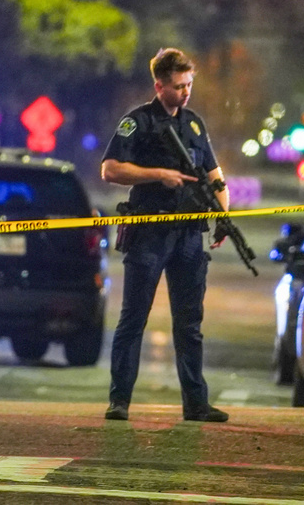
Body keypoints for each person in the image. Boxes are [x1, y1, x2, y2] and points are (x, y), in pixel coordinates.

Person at [100, 48, 229, 423]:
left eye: (189, 84)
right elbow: (110, 170)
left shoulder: (194, 124)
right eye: (178, 86)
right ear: (159, 85)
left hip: (188, 233)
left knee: (189, 324)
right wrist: (157, 174)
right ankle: (119, 400)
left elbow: (214, 174)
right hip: (150, 232)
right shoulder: (136, 122)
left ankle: (196, 403)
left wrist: (223, 214)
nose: (186, 92)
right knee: (133, 319)